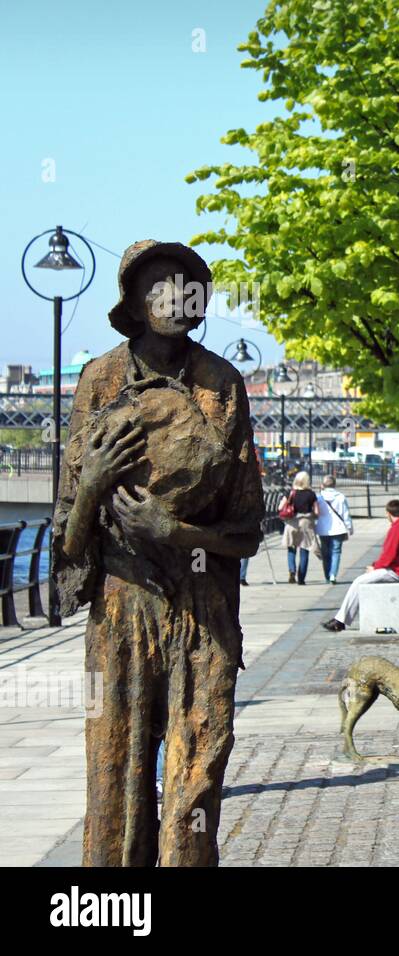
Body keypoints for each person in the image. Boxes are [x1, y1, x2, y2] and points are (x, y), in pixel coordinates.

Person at [53, 239, 263, 866]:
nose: (172, 298)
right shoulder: (100, 379)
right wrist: (90, 488)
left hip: (202, 607)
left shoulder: (221, 384)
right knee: (113, 772)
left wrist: (178, 534)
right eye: (157, 286)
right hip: (121, 601)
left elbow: (247, 531)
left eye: (185, 287)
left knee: (198, 767)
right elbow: (67, 536)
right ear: (135, 303)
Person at [322, 499, 399, 631]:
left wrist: (375, 567)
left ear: (388, 513)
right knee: (362, 581)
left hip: (396, 570)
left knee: (359, 582)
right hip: (398, 568)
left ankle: (340, 621)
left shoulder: (396, 528)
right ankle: (340, 619)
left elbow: (389, 554)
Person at [280, 470, 318, 584]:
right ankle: (301, 578)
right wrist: (314, 517)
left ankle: (292, 570)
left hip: (292, 522)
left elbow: (280, 507)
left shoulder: (291, 493)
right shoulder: (311, 494)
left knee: (291, 547)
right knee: (304, 549)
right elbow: (317, 511)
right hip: (306, 523)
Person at [315, 474, 353, 584]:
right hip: (338, 528)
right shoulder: (341, 497)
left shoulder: (319, 497)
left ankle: (327, 575)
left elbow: (316, 513)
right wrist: (349, 527)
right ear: (334, 484)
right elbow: (345, 514)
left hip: (323, 529)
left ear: (323, 485)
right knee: (336, 552)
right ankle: (333, 574)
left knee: (325, 553)